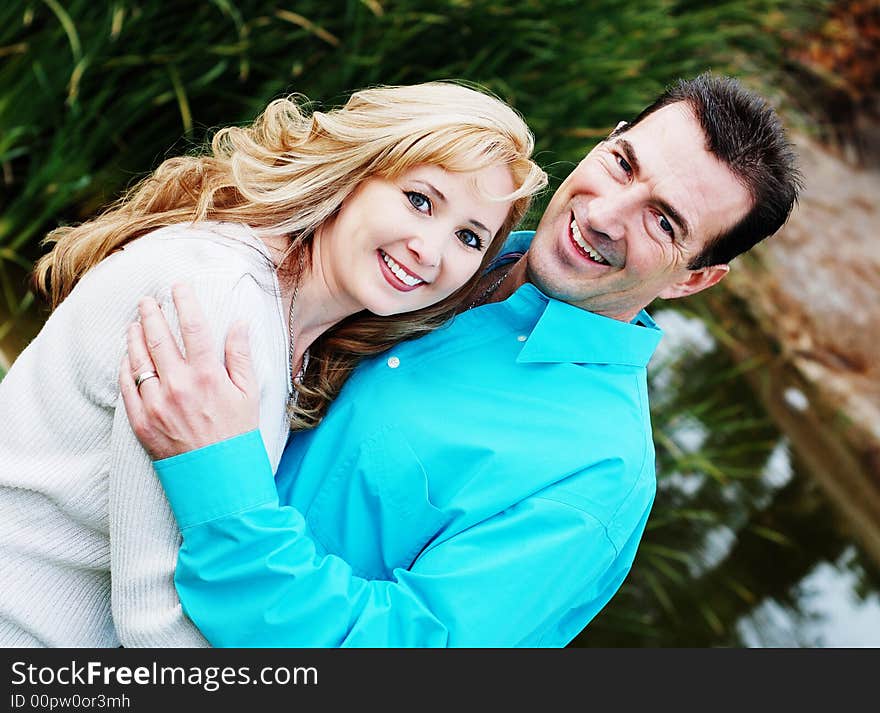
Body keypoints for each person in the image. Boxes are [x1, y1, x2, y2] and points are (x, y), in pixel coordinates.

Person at [122, 73, 802, 647]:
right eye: (623, 163)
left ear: (694, 279)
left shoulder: (598, 478)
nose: (604, 214)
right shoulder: (443, 241)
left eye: (664, 221)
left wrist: (219, 481)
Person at [0, 82, 547, 647]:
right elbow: (157, 624)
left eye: (468, 237)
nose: (429, 251)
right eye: (419, 200)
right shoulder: (221, 305)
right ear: (355, 173)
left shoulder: (290, 323)